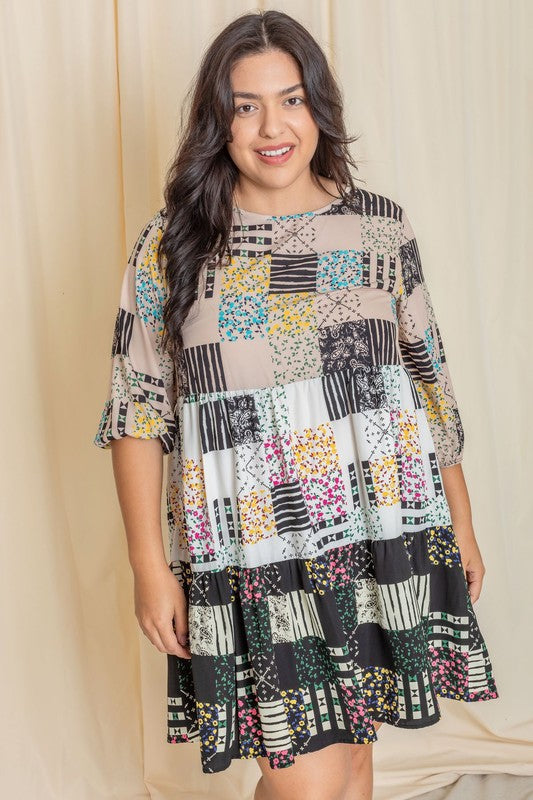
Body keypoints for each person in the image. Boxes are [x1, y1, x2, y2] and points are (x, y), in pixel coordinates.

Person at [93, 9, 499, 800]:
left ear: (320, 107)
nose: (271, 126)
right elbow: (139, 410)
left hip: (380, 526)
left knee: (349, 763)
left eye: (291, 99)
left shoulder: (377, 229)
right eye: (245, 105)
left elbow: (427, 384)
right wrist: (149, 564)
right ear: (218, 120)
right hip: (254, 550)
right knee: (305, 776)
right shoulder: (174, 245)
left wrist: (462, 524)